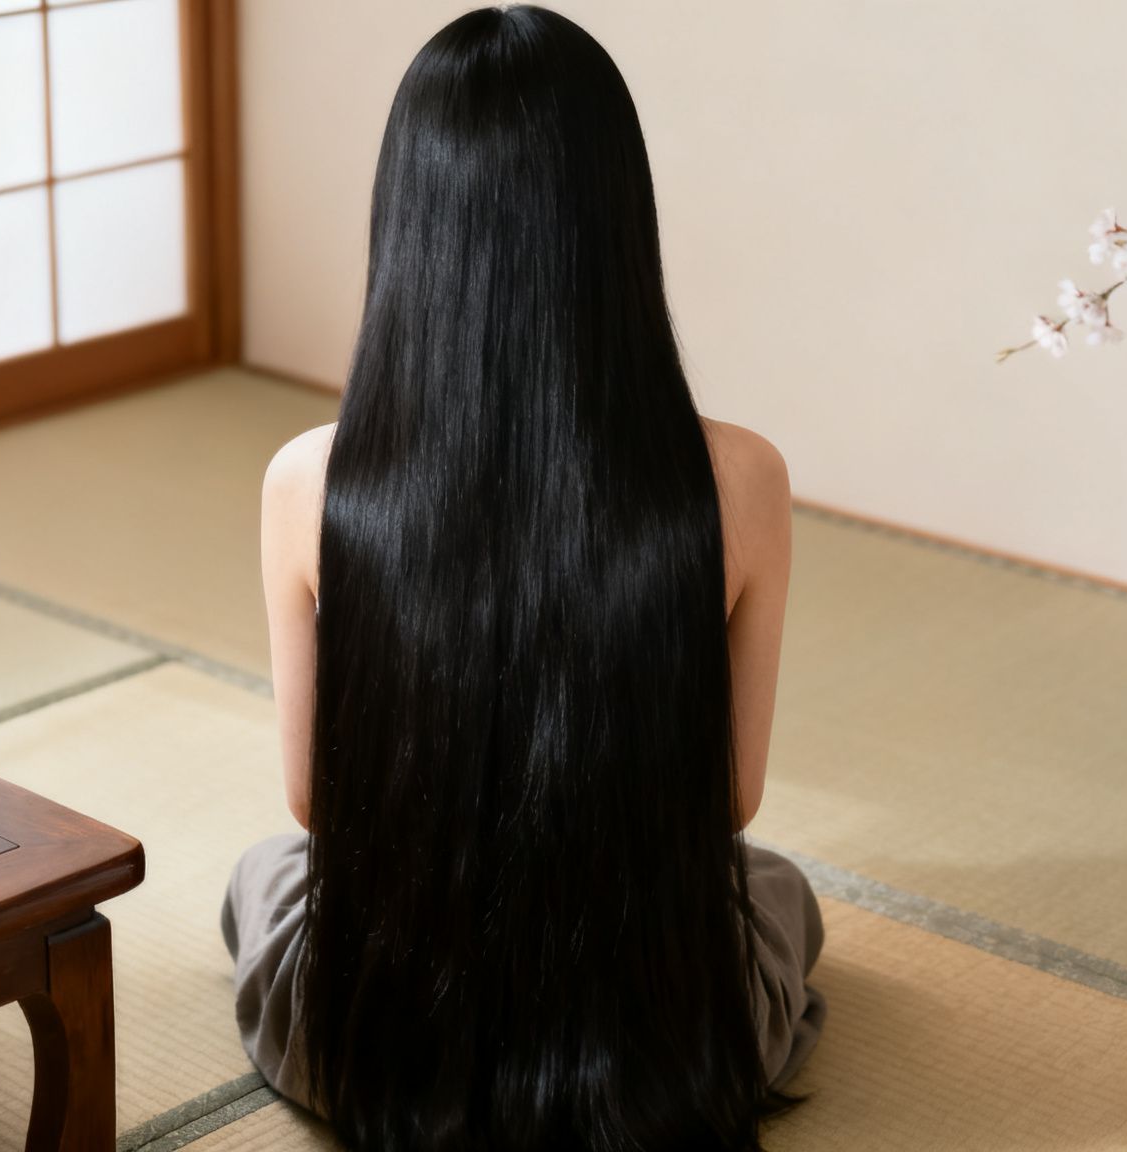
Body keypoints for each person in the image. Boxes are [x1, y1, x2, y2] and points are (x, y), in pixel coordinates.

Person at [221, 6, 825, 1149]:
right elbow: (728, 804)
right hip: (661, 1056)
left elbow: (312, 803)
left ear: (408, 222)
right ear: (615, 220)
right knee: (776, 889)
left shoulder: (312, 479)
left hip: (378, 1053)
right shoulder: (739, 478)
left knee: (266, 872)